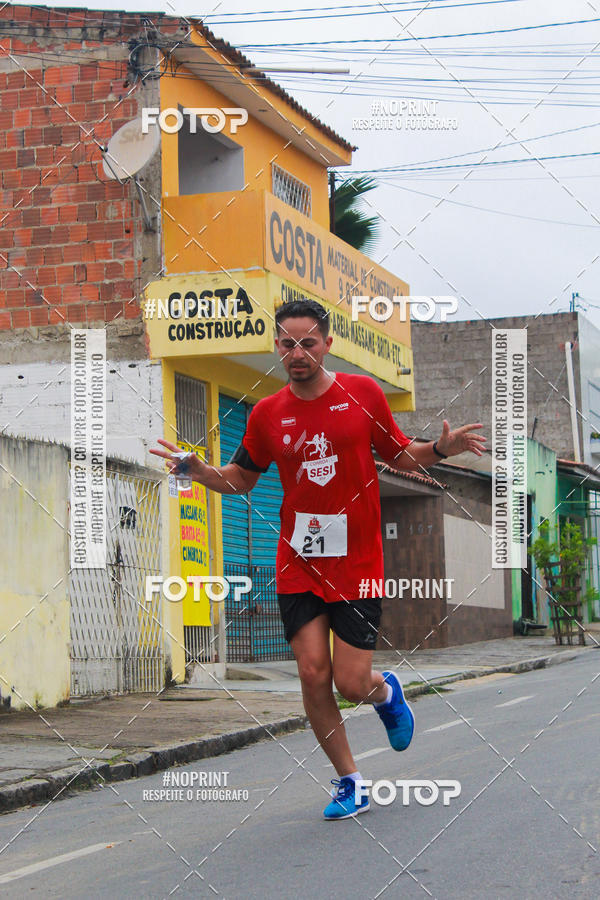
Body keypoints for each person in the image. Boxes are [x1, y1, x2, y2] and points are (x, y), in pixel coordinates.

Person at [150, 299, 486, 820]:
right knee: (311, 673)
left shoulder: (363, 394)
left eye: (308, 342)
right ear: (276, 348)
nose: (298, 352)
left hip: (357, 561)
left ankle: (385, 693)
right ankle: (349, 781)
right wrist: (195, 470)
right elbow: (240, 480)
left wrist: (441, 450)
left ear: (327, 344)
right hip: (298, 559)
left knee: (352, 683)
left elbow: (397, 454)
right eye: (287, 343)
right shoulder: (266, 415)